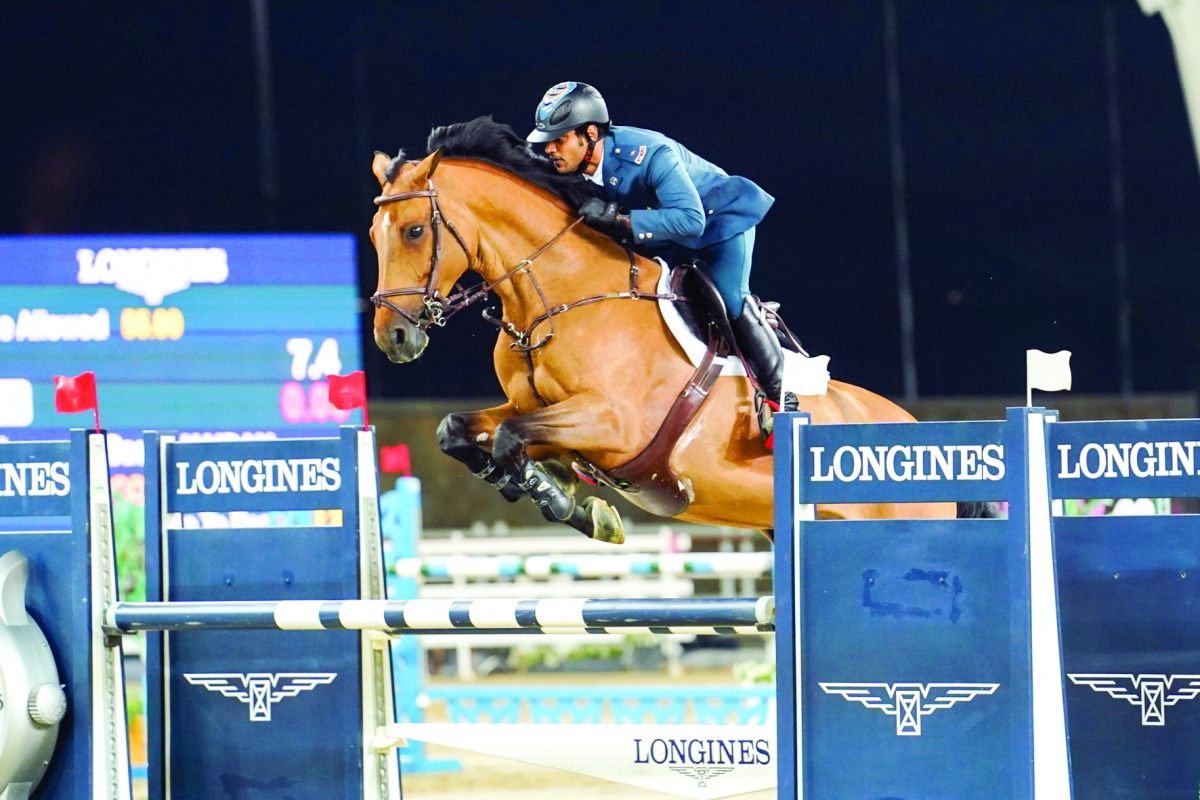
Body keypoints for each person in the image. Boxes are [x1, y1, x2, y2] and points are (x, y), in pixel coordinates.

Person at [526, 81, 798, 439]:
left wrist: (621, 220)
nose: (549, 149)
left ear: (589, 135)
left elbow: (690, 221)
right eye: (547, 141)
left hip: (717, 224)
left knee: (729, 298)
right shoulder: (569, 163)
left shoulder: (650, 153)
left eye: (558, 140)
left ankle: (782, 400)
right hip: (662, 235)